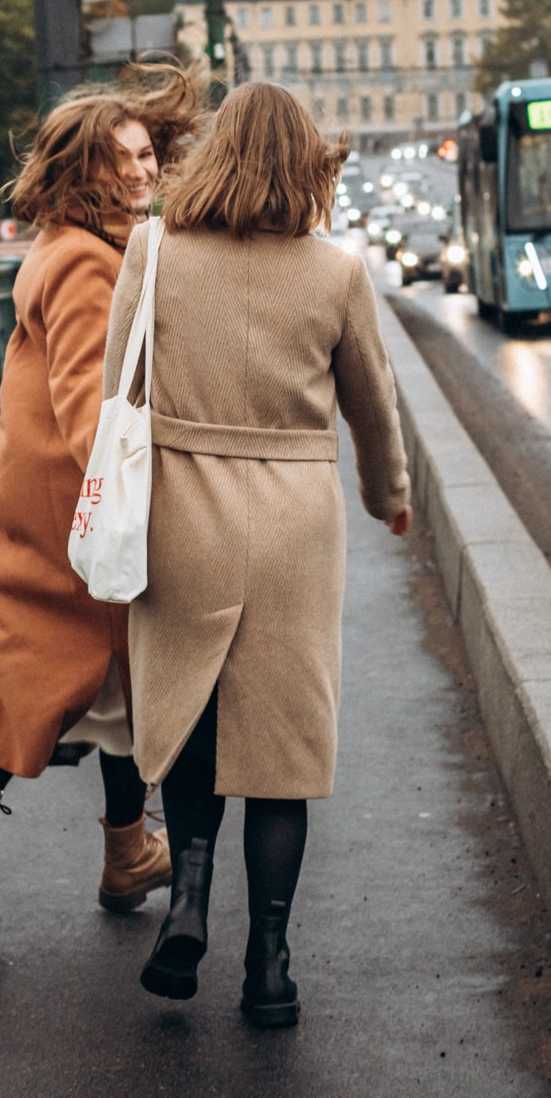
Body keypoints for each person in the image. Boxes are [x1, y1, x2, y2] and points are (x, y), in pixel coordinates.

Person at [106, 81, 409, 1028]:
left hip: (181, 514)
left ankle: (188, 900)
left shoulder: (154, 251)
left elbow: (121, 387)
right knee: (281, 751)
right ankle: (270, 966)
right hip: (292, 525)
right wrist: (388, 498)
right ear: (307, 166)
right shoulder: (336, 274)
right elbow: (374, 407)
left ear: (216, 154)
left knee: (195, 719)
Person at [0, 64, 203, 931]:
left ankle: (103, 848)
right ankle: (31, 832)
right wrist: (128, 500)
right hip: (75, 514)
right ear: (80, 169)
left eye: (147, 152)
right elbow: (93, 405)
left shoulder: (62, 245)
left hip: (33, 499)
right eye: (120, 157)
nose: (141, 169)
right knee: (104, 674)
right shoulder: (90, 264)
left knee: (64, 679)